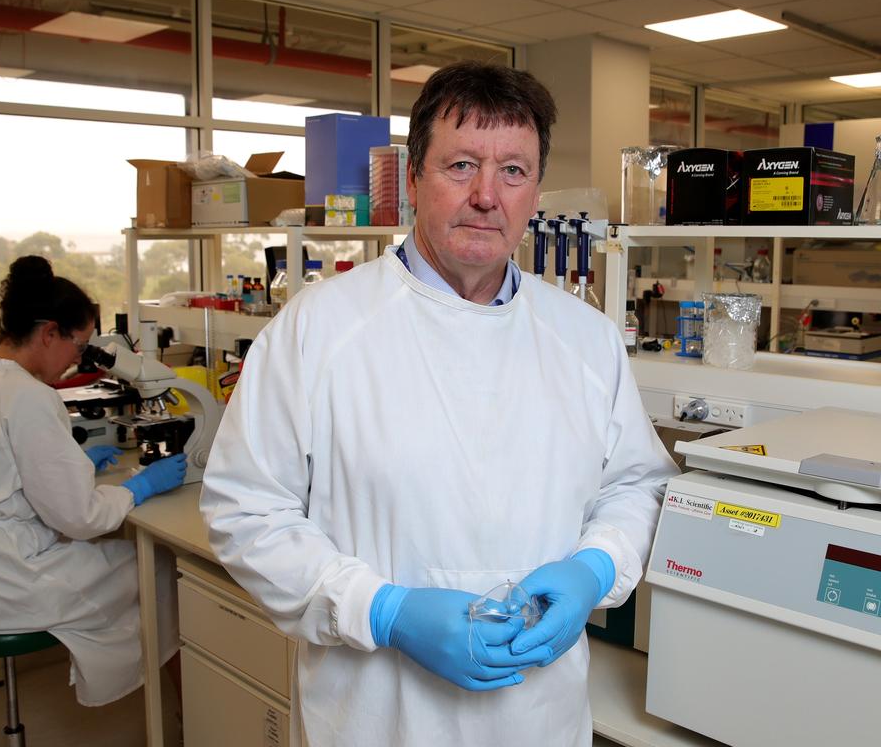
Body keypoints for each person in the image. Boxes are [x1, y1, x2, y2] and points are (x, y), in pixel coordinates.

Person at [200, 62, 678, 745]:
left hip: (539, 721)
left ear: (535, 190)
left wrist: (593, 566)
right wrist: (383, 610)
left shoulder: (587, 341)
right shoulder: (320, 329)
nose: (487, 195)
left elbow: (637, 486)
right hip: (376, 720)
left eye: (514, 172)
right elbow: (247, 512)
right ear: (413, 178)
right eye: (461, 165)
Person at [0, 255, 185, 707]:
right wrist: (140, 487)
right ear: (49, 333)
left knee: (125, 559)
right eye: (78, 346)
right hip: (0, 583)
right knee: (158, 565)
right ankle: (184, 715)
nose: (78, 360)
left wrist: (73, 463)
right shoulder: (30, 396)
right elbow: (80, 518)